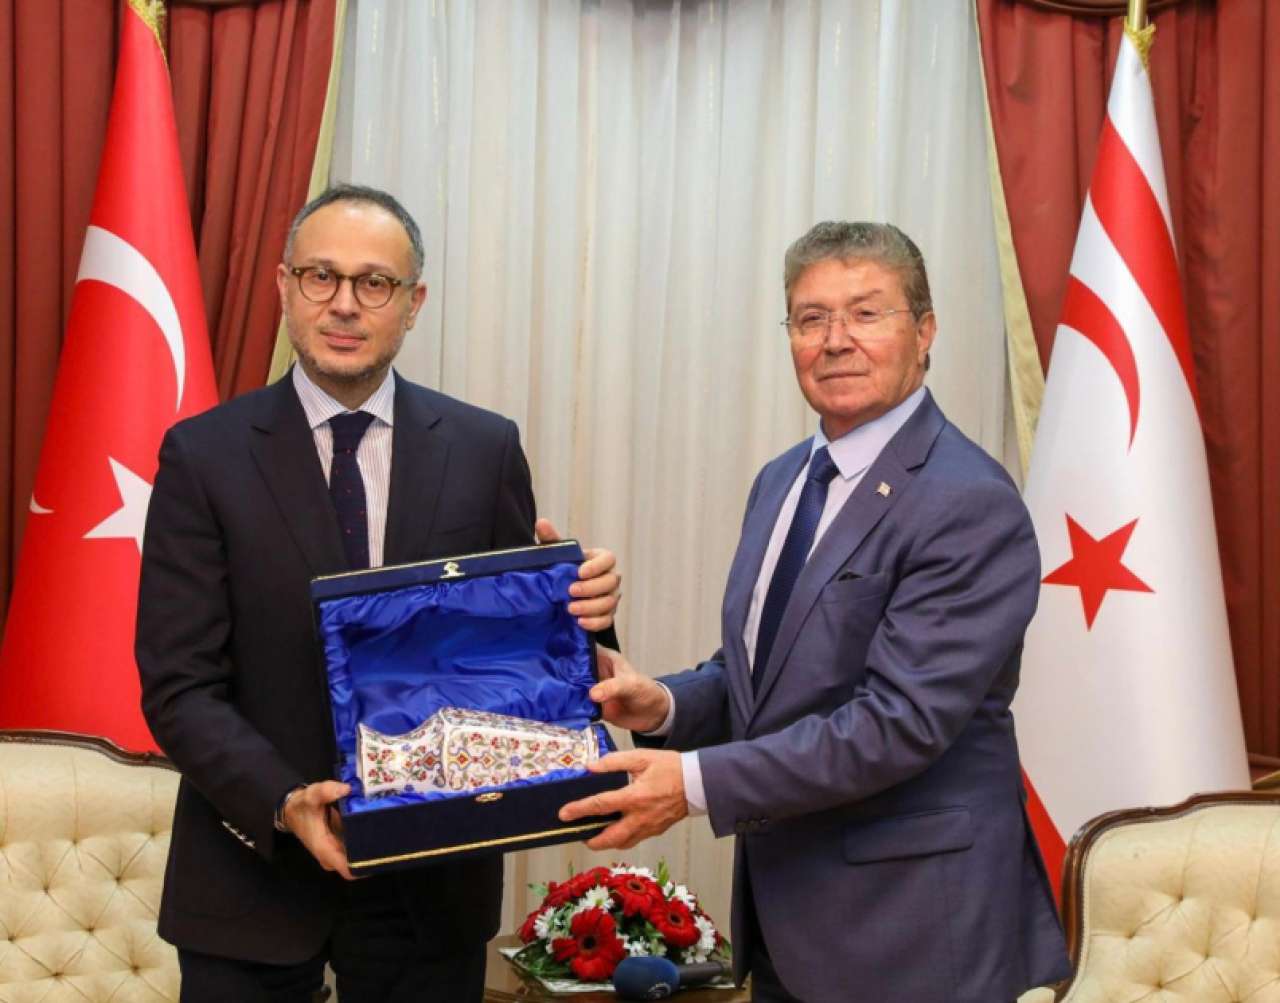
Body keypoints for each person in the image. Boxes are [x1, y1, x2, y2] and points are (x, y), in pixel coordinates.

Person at [559, 221, 1070, 1002]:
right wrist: (663, 704)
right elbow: (768, 673)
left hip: (912, 935)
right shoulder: (784, 479)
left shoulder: (968, 502)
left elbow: (896, 722)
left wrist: (692, 782)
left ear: (925, 331)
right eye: (811, 318)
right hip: (786, 924)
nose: (835, 340)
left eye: (866, 313)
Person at [136, 184, 620, 1003]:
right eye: (321, 275)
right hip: (250, 882)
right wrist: (284, 800)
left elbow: (518, 658)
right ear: (284, 285)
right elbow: (179, 684)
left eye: (374, 282)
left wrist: (584, 607)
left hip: (430, 893)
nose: (344, 303)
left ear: (413, 303)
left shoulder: (483, 447)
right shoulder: (202, 455)